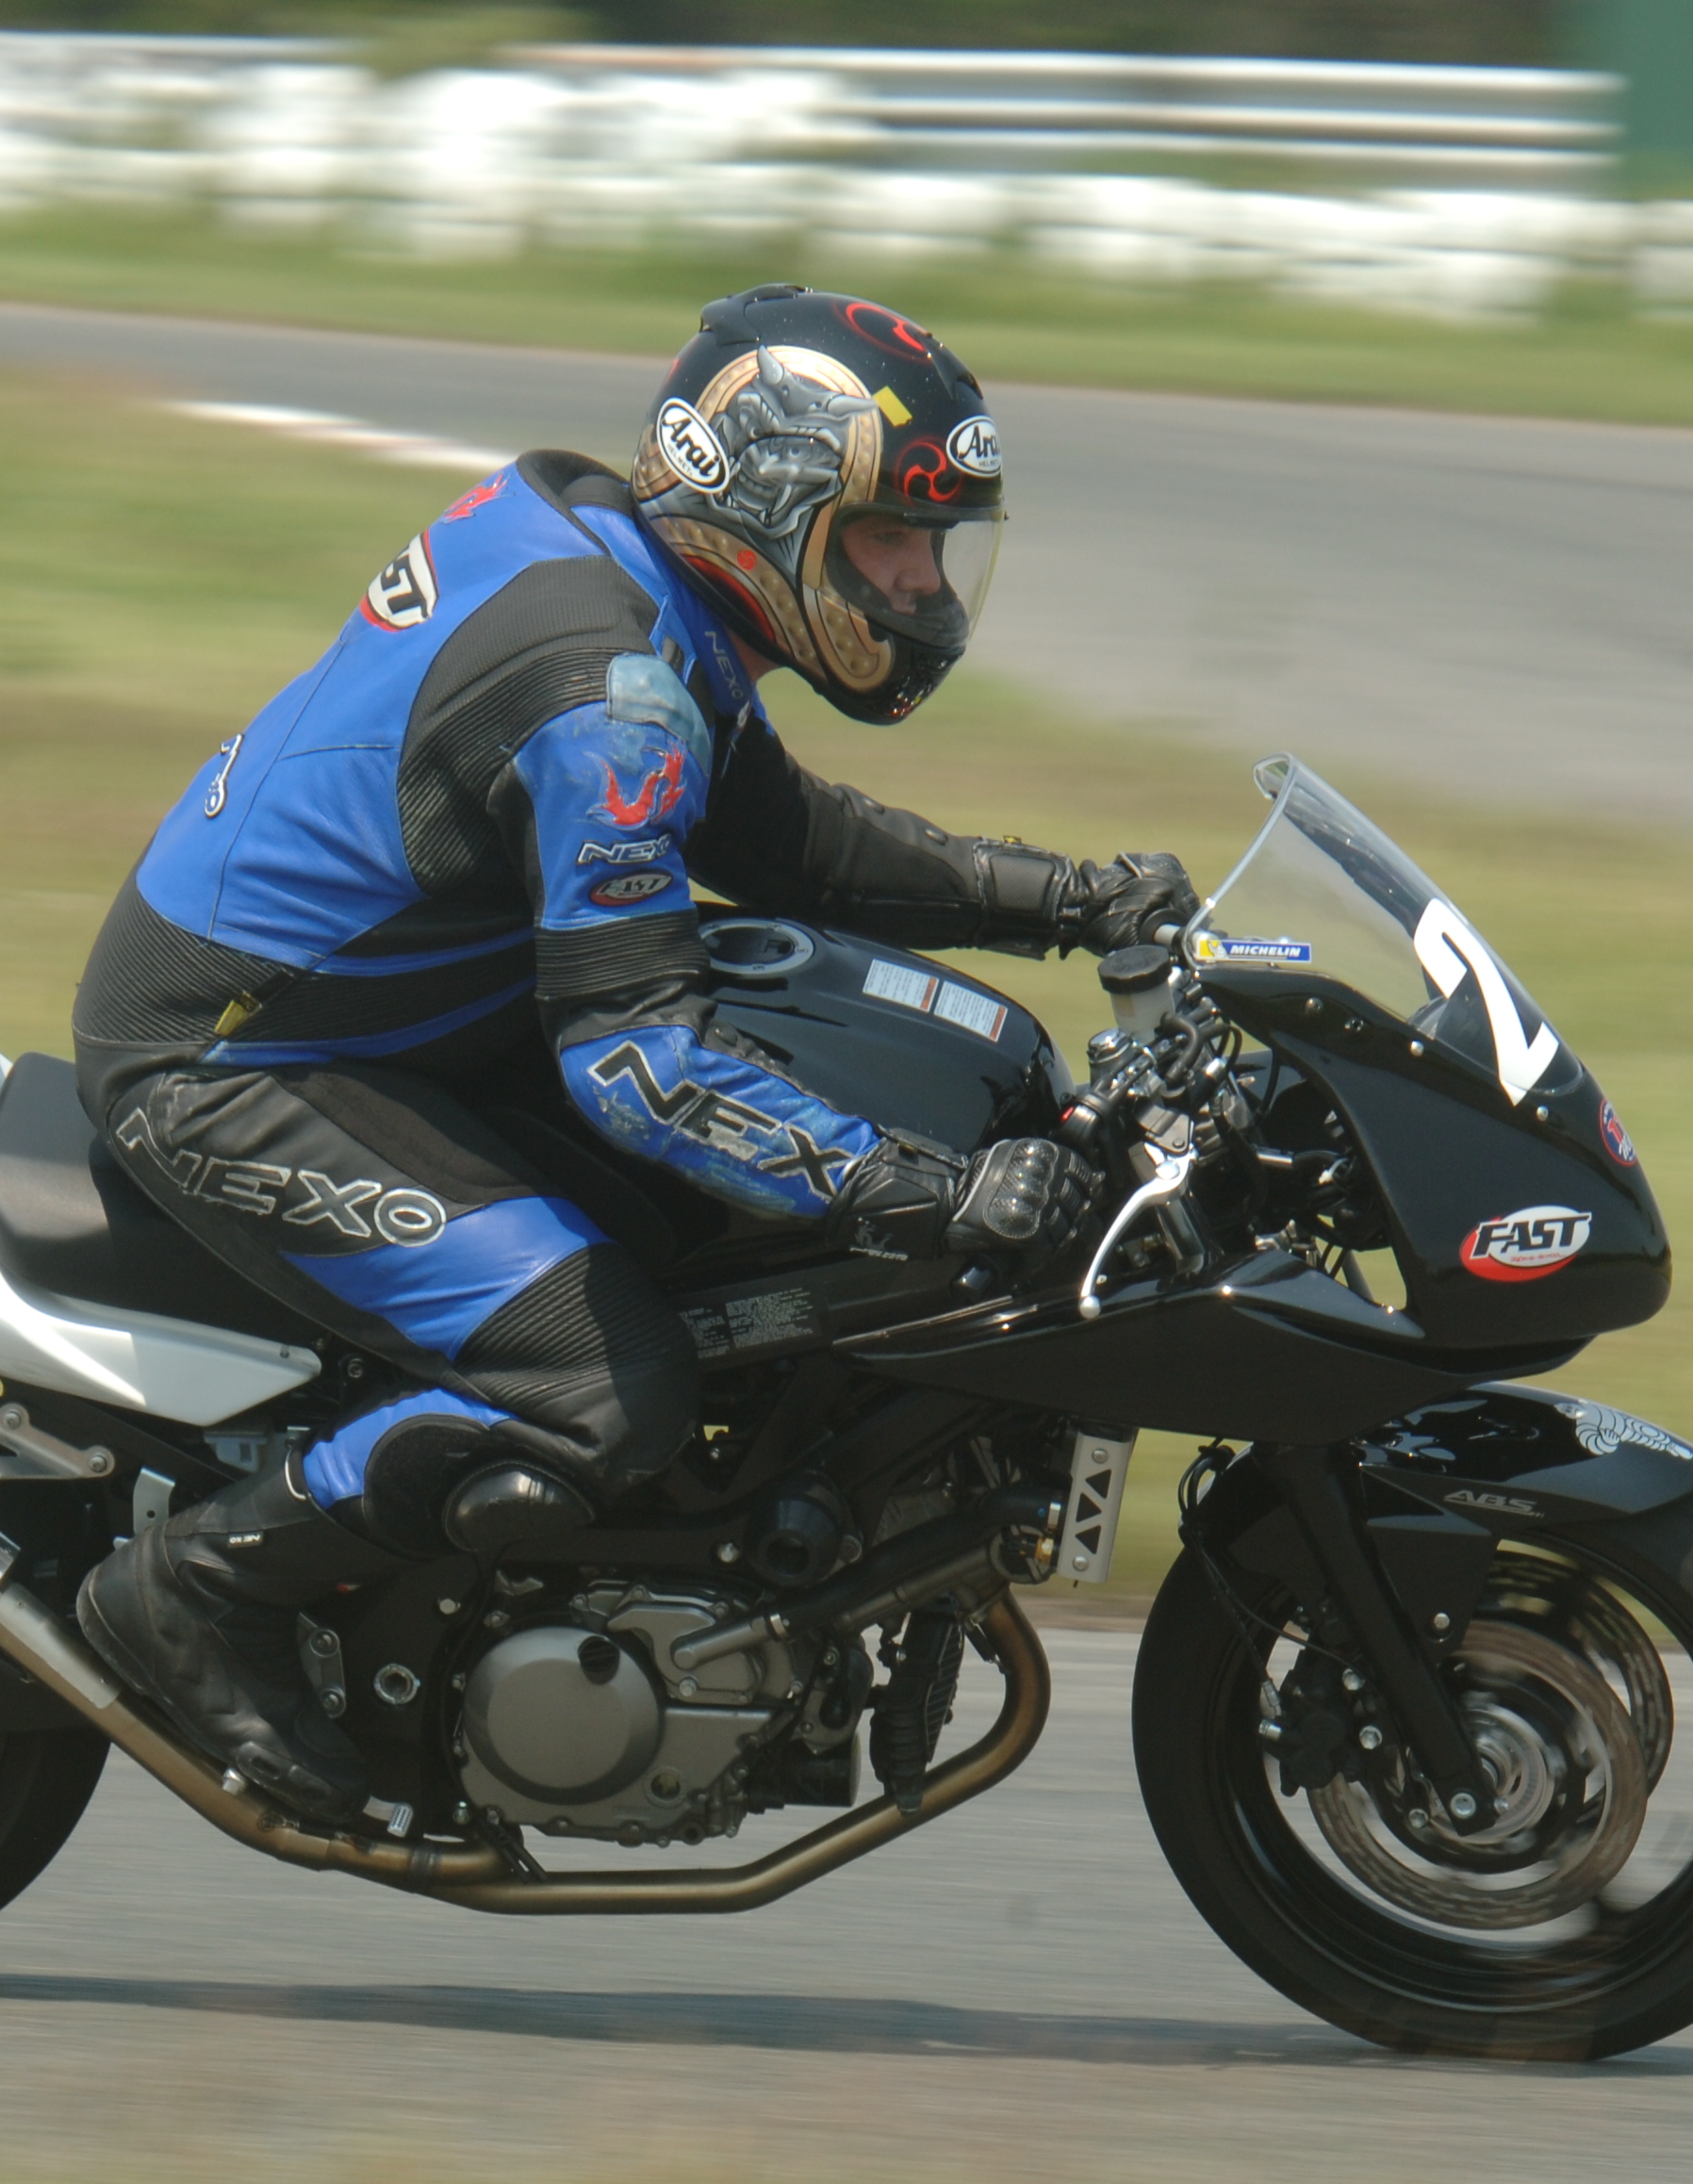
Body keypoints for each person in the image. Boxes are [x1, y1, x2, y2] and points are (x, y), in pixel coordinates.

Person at [70, 283, 1196, 1822]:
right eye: (888, 540)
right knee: (605, 1378)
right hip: (228, 1065)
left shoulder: (624, 572)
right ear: (767, 507)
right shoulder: (607, 693)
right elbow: (643, 1067)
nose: (922, 587)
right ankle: (199, 1584)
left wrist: (1066, 899)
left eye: (940, 546)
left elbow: (786, 838)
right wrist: (926, 1192)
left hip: (400, 1015)